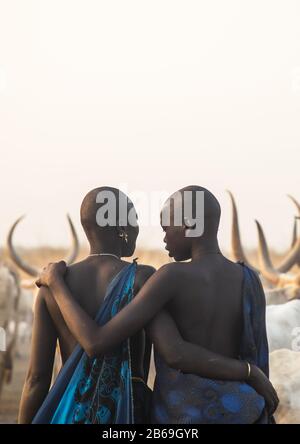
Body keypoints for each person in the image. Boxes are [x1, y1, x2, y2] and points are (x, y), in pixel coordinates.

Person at [31, 186, 278, 424]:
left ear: (189, 224)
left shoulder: (168, 277)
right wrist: (250, 373)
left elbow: (45, 374)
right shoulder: (248, 279)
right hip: (240, 409)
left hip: (181, 415)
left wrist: (55, 283)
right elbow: (256, 352)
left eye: (166, 227)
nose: (163, 238)